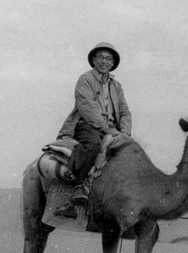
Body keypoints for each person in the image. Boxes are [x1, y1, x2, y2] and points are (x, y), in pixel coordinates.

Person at [56, 42, 132, 210]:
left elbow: (124, 111)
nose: (104, 61)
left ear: (113, 63)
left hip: (112, 129)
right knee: (93, 145)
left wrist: (125, 132)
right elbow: (87, 107)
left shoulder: (116, 86)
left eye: (108, 58)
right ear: (94, 60)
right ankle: (80, 186)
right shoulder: (86, 79)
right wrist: (107, 129)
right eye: (101, 57)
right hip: (88, 124)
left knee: (132, 153)